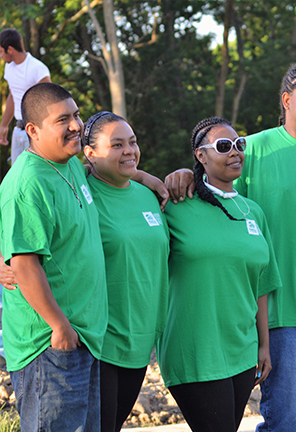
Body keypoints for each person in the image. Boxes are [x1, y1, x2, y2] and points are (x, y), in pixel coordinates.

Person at [165, 62, 296, 432]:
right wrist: (183, 174)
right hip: (283, 319)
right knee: (287, 424)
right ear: (286, 100)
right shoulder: (252, 150)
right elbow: (215, 189)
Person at [157, 117, 281, 432]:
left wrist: (263, 345)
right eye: (223, 146)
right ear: (201, 156)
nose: (235, 152)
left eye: (240, 144)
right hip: (195, 348)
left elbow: (261, 286)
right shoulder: (175, 204)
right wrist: (157, 178)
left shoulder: (254, 212)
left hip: (241, 348)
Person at [0, 82, 108, 432]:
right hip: (50, 346)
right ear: (32, 130)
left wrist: (145, 177)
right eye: (63, 119)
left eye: (76, 115)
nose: (76, 125)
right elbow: (24, 264)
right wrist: (59, 327)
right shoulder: (28, 183)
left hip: (83, 338)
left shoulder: (72, 166)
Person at [82, 111, 170, 432]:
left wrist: (145, 177)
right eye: (117, 144)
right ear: (90, 153)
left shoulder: (150, 195)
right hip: (98, 342)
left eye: (132, 142)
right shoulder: (81, 191)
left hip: (140, 341)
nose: (130, 150)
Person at [0, 28, 51, 163]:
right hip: (18, 130)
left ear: (10, 50)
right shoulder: (9, 67)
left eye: (0, 51)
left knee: (36, 171)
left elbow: (51, 101)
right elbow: (13, 96)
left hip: (36, 132)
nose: (1, 56)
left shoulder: (37, 69)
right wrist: (4, 125)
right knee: (17, 174)